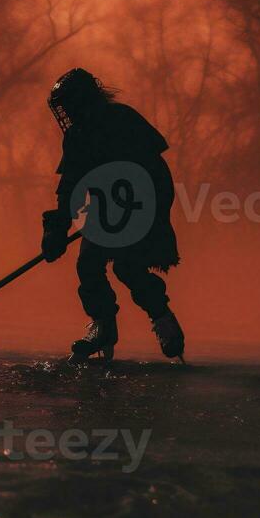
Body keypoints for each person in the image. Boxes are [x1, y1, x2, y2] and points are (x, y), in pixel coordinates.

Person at [41, 68, 185, 362]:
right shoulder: (77, 137)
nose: (66, 112)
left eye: (69, 104)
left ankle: (162, 318)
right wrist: (58, 226)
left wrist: (141, 210)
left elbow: (154, 171)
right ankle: (103, 325)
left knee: (127, 267)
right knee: (88, 264)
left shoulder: (123, 120)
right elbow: (70, 184)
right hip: (106, 210)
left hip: (141, 206)